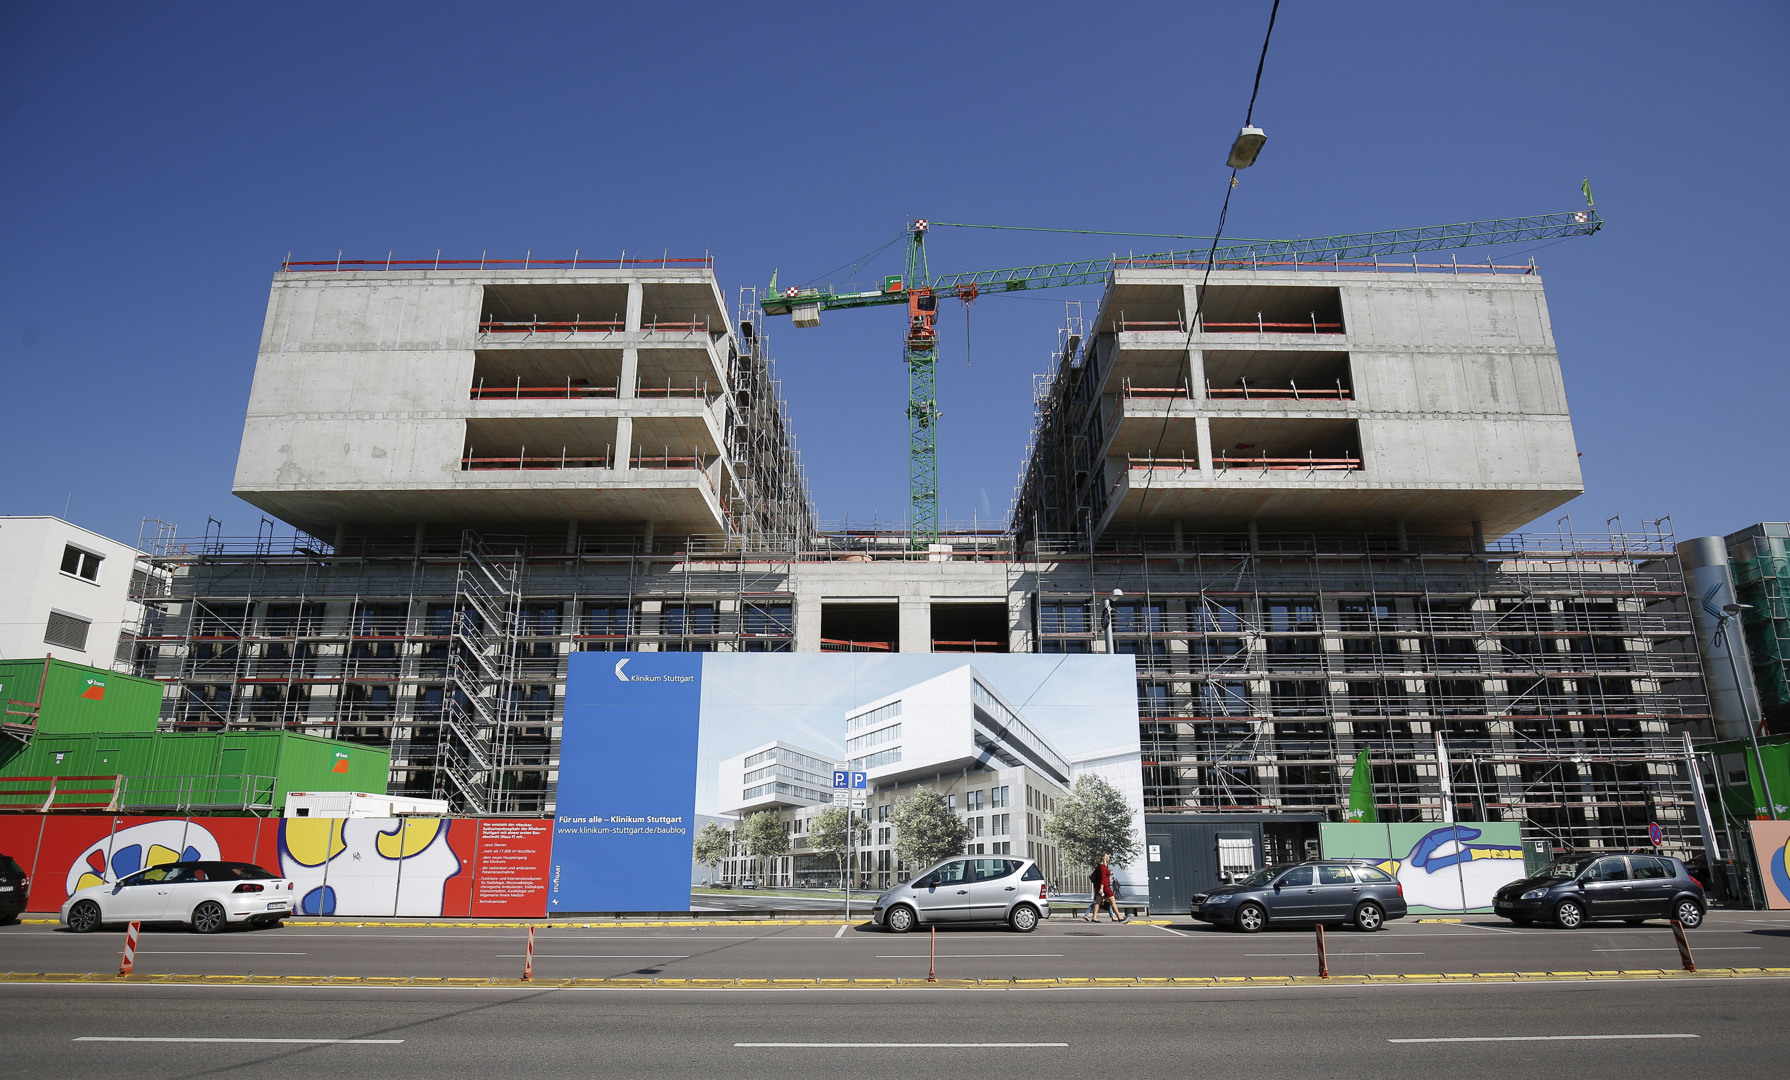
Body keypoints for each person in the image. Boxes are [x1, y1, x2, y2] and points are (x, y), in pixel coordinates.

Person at [1084, 853, 1126, 923]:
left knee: (1098, 902)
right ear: (1105, 858)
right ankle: (1119, 916)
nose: (1110, 859)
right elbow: (1102, 878)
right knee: (1113, 902)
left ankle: (1094, 917)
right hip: (1105, 887)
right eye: (1109, 857)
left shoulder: (1099, 866)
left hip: (1100, 887)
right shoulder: (1103, 867)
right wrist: (1101, 888)